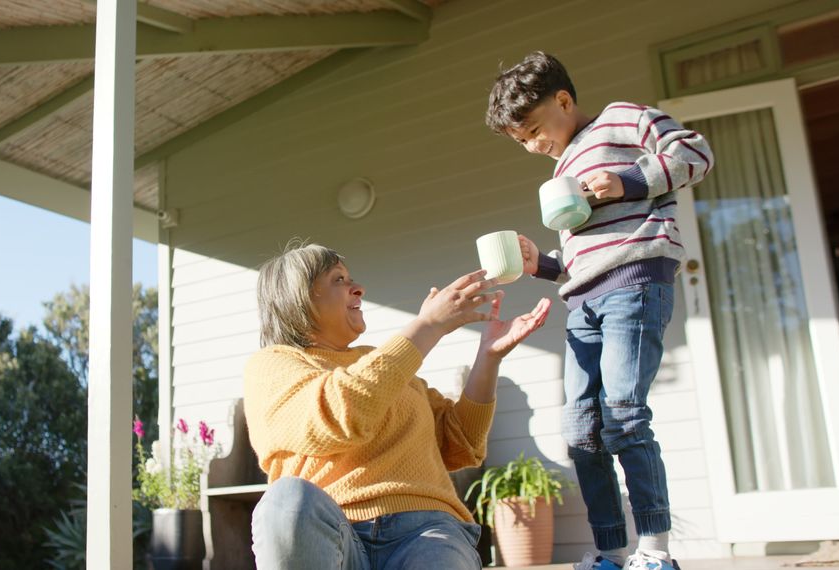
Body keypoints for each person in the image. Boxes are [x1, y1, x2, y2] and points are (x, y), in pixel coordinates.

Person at [485, 52, 713, 570]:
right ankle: (611, 551)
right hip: (585, 301)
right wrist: (539, 264)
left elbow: (695, 153)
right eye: (521, 141)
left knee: (623, 417)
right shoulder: (563, 169)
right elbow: (583, 257)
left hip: (634, 285)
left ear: (564, 100)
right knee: (580, 429)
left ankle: (655, 551)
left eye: (535, 130)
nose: (532, 146)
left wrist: (630, 181)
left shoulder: (623, 119)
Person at [244, 241, 551, 570]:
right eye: (339, 280)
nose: (358, 288)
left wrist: (488, 357)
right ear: (299, 298)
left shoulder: (381, 362)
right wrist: (427, 327)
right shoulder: (273, 365)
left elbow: (460, 444)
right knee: (285, 499)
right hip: (334, 540)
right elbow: (340, 414)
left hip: (427, 533)